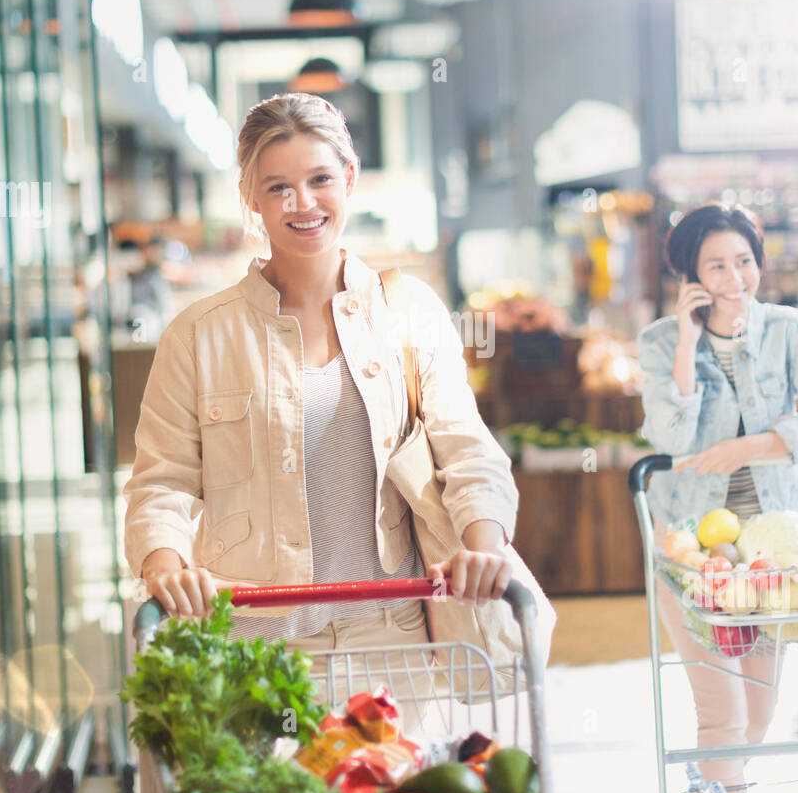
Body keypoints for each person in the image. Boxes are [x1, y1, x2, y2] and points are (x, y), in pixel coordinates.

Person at [122, 92, 519, 732]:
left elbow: (466, 448)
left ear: (350, 178)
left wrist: (484, 546)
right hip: (253, 644)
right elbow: (160, 481)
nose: (302, 204)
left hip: (392, 635)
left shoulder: (408, 312)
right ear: (250, 196)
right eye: (278, 187)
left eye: (319, 180)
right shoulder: (198, 335)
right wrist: (163, 563)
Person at [638, 202, 798, 793]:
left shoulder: (789, 330)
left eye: (744, 262)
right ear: (690, 277)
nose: (735, 279)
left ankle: (708, 784)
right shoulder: (658, 342)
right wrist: (685, 340)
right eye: (716, 266)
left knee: (760, 708)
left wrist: (751, 447)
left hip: (769, 549)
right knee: (724, 710)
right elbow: (671, 438)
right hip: (691, 551)